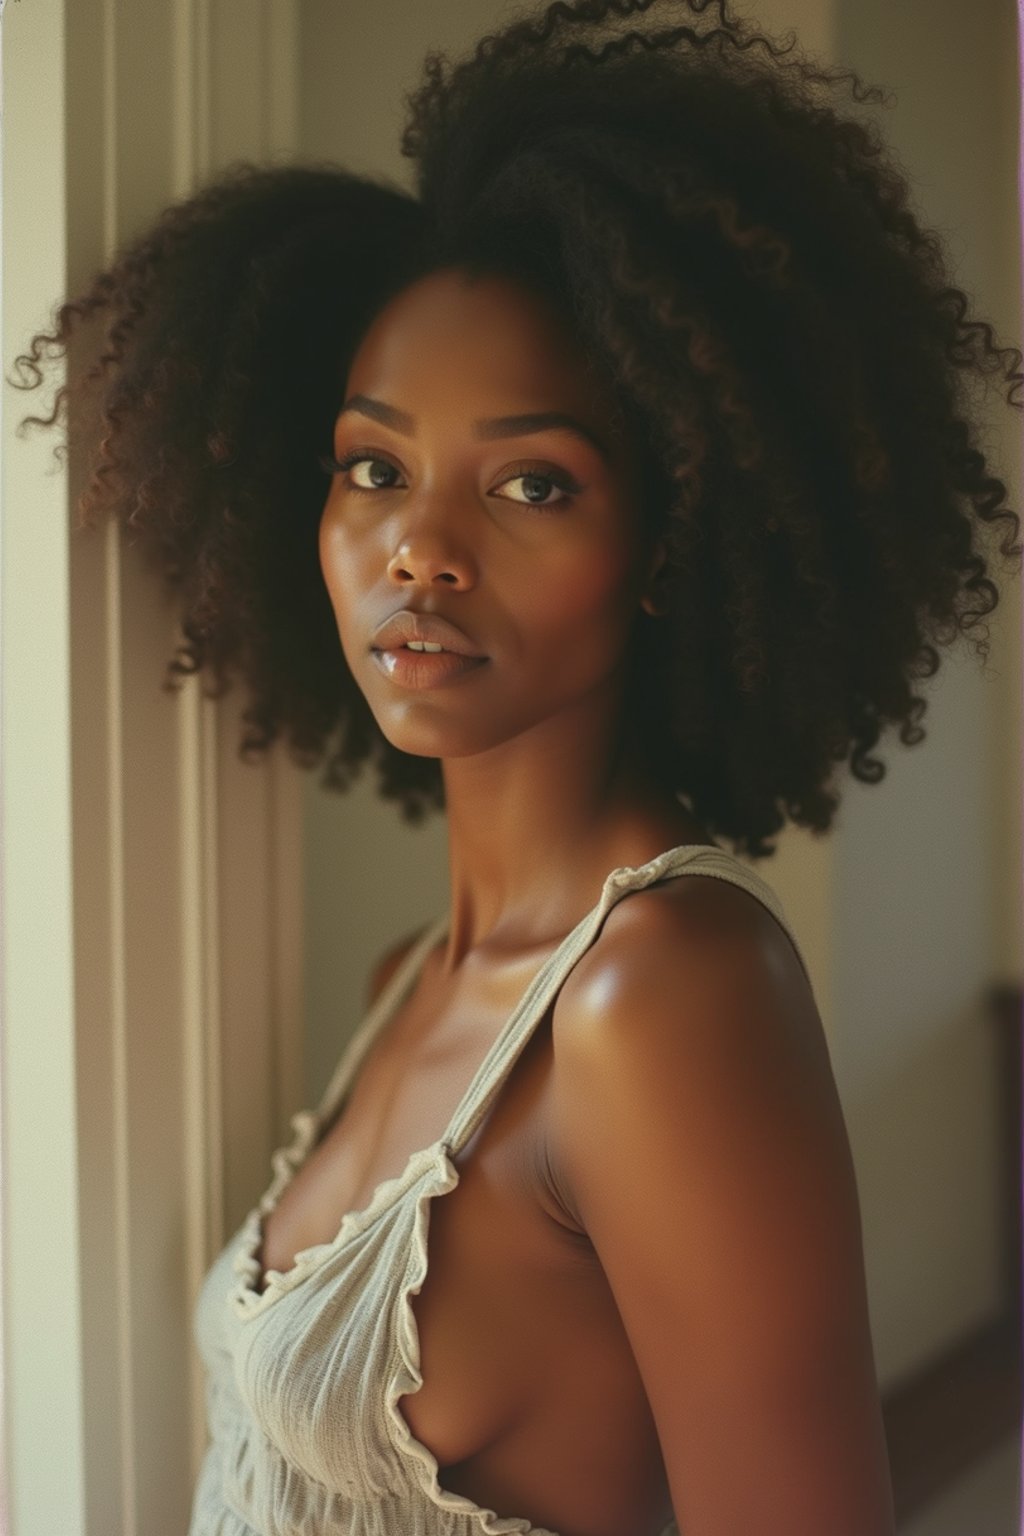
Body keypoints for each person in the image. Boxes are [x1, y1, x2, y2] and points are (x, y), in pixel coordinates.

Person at [11, 1, 1021, 1533]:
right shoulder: (403, 986)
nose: (419, 544)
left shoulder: (660, 998)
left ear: (668, 546)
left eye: (534, 482)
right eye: (375, 465)